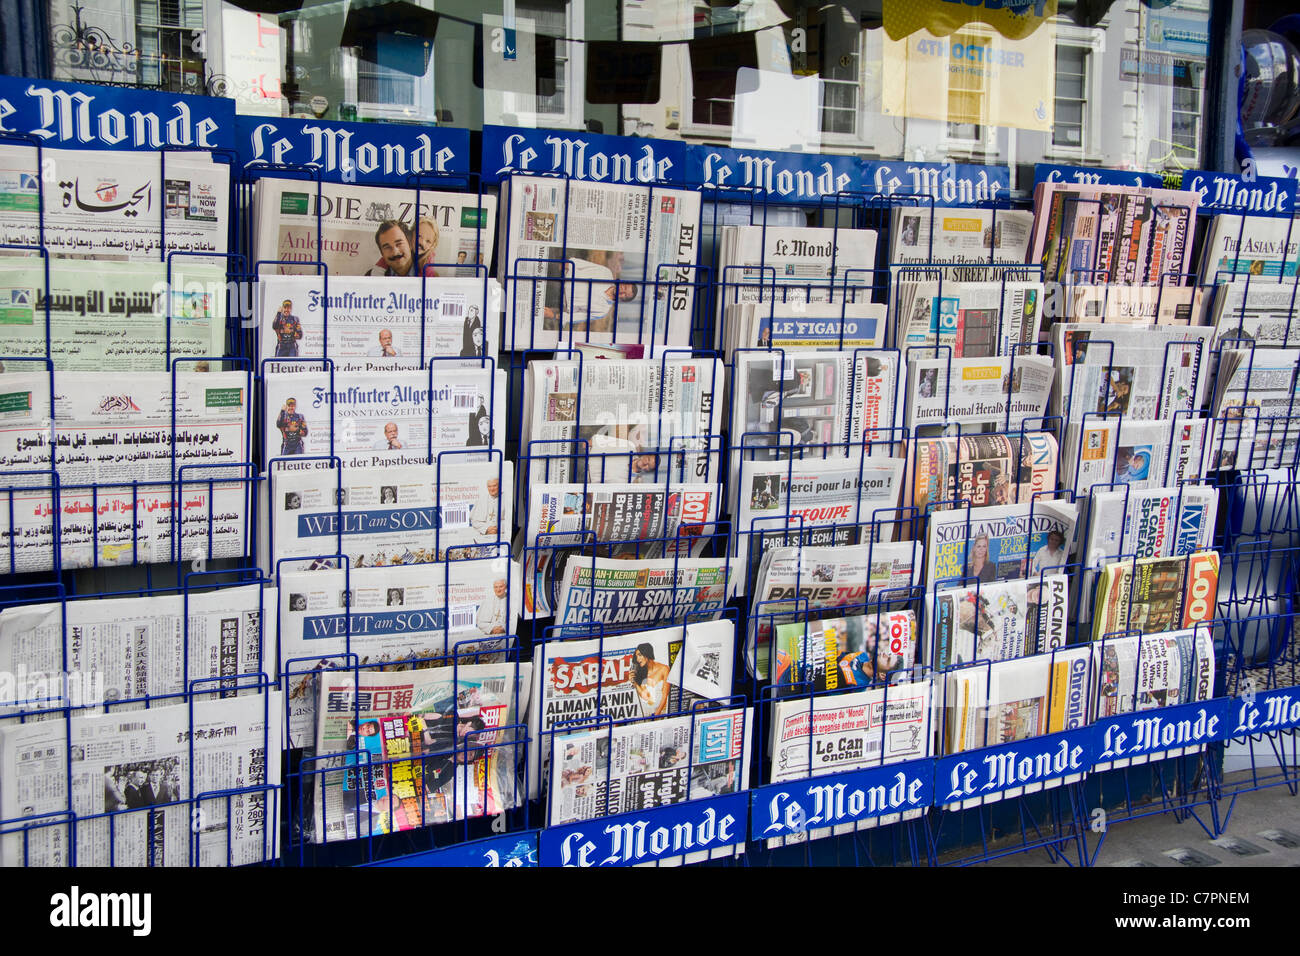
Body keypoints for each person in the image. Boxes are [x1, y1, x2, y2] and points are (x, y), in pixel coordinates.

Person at [630, 643, 671, 716]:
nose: (637, 659)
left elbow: (665, 696)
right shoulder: (642, 672)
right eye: (636, 656)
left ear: (647, 653)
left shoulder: (664, 669)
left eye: (639, 655)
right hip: (646, 712)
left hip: (660, 712)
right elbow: (645, 697)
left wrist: (656, 715)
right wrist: (635, 683)